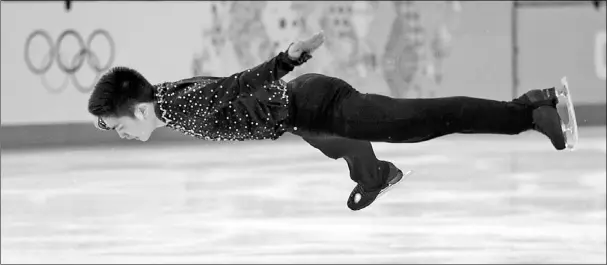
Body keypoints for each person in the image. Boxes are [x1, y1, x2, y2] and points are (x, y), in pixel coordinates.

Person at [87, 32, 577, 211]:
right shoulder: (167, 95)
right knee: (338, 146)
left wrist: (284, 60)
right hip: (299, 116)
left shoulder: (175, 106)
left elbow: (233, 86)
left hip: (313, 103)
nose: (122, 135)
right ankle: (376, 173)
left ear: (136, 108)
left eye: (117, 126)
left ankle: (531, 110)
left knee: (425, 119)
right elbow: (225, 94)